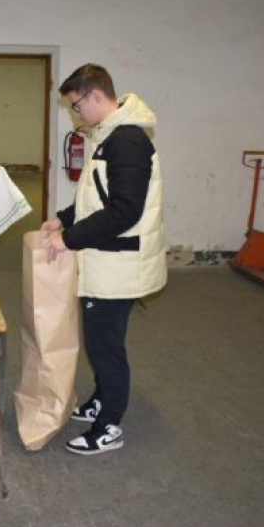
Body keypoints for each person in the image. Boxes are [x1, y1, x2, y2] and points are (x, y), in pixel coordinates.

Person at [42, 64, 166, 456]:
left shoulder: (126, 140)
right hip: (106, 261)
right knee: (100, 342)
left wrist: (68, 239)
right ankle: (101, 399)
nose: (75, 114)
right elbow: (95, 198)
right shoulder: (109, 135)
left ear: (96, 95)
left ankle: (109, 425)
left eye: (76, 106)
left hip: (117, 265)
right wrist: (63, 219)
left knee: (105, 348)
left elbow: (124, 210)